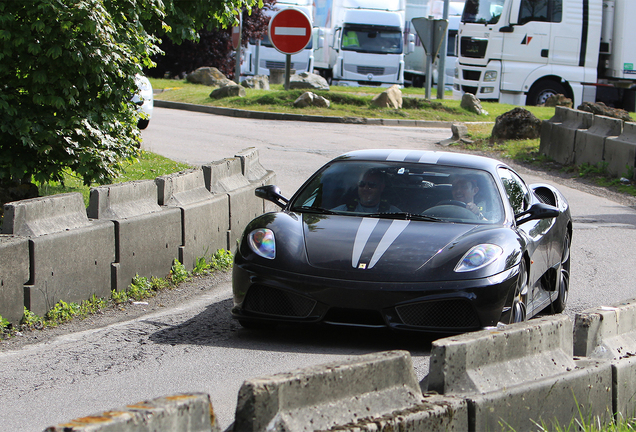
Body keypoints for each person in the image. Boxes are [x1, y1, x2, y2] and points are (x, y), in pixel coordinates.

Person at [333, 168, 400, 213]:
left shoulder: (393, 213)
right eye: (362, 184)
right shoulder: (342, 211)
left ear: (381, 188)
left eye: (371, 185)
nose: (365, 188)